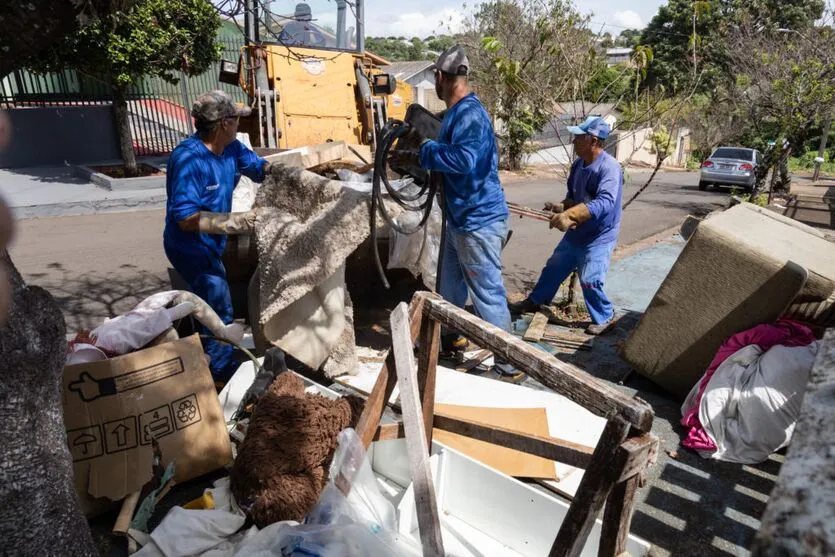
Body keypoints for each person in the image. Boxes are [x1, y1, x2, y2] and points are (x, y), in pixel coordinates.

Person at [391, 45, 521, 381]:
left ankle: (511, 365)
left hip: (478, 222)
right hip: (459, 218)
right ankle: (450, 339)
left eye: (435, 76)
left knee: (488, 294)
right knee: (449, 289)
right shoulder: (455, 114)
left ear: (441, 77)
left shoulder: (470, 115)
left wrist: (427, 150)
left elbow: (463, 161)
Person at [164, 90, 269, 383]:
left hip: (212, 242)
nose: (240, 125)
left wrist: (284, 172)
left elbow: (258, 168)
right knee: (218, 305)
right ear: (224, 123)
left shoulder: (232, 148)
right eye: (236, 119)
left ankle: (198, 348)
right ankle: (220, 376)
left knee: (204, 302)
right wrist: (236, 222)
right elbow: (185, 219)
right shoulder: (188, 159)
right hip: (189, 248)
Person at [509, 116, 623, 336]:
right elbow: (573, 197)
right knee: (554, 267)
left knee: (590, 279)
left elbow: (606, 202)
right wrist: (561, 207)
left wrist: (571, 214)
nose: (573, 141)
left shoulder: (610, 168)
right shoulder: (578, 165)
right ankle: (535, 301)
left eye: (578, 137)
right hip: (578, 232)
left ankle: (606, 316)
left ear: (593, 140)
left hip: (600, 235)